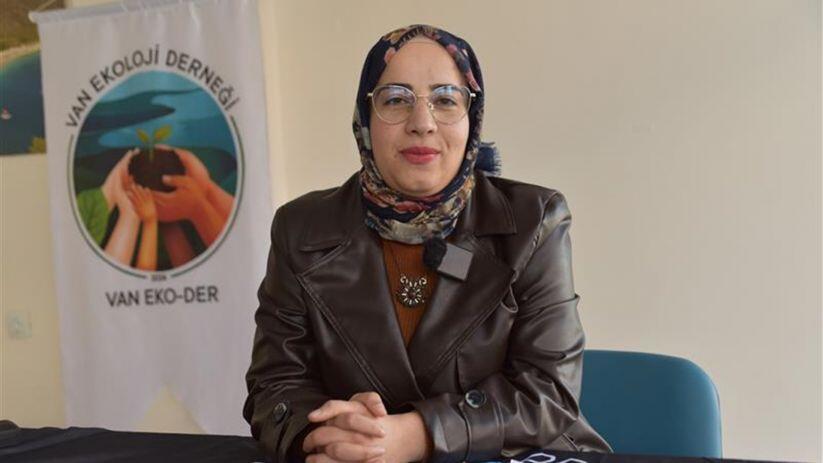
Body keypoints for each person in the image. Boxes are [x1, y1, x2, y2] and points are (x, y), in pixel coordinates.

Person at [244, 24, 611, 463]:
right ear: (365, 117)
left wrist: (417, 435)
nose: (422, 123)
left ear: (472, 117)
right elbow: (275, 384)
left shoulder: (534, 220)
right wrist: (326, 435)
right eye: (396, 99)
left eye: (446, 100)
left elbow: (548, 393)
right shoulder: (301, 228)